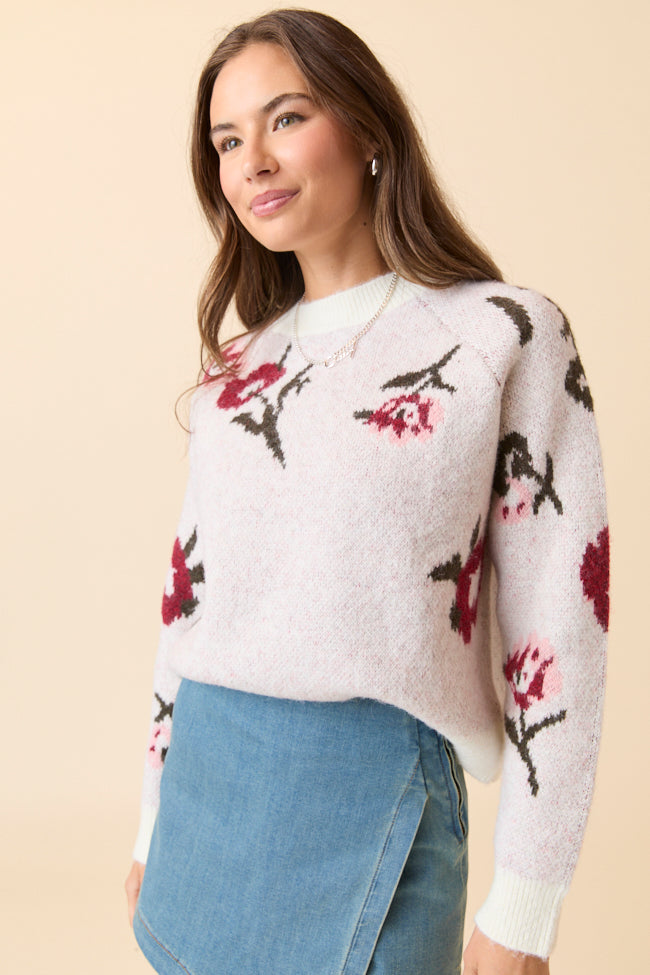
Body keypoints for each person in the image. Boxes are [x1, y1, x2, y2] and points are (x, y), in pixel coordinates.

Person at [124, 9, 608, 975]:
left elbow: (562, 625)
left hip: (377, 797)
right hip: (207, 795)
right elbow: (189, 608)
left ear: (368, 128)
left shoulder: (502, 335)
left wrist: (526, 904)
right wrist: (150, 822)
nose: (254, 161)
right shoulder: (237, 373)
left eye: (286, 118)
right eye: (227, 141)